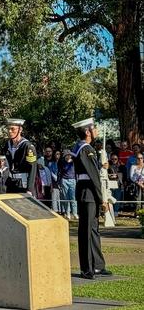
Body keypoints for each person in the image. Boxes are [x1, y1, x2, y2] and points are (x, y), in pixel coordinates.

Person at [71, 117, 111, 279]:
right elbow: (94, 176)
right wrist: (103, 199)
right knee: (87, 230)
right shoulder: (86, 149)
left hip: (87, 192)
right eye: (94, 128)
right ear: (87, 132)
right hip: (88, 193)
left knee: (93, 229)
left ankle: (98, 265)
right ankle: (87, 268)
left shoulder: (82, 148)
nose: (96, 131)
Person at [4, 119, 37, 195]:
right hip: (11, 183)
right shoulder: (7, 145)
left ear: (20, 130)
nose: (9, 131)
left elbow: (32, 168)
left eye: (12, 129)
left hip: (23, 183)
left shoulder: (27, 146)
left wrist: (29, 189)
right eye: (8, 129)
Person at [58, 150, 78, 219]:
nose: (68, 156)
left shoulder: (74, 162)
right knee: (66, 197)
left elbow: (76, 156)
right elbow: (60, 172)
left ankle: (74, 213)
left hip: (73, 180)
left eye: (69, 155)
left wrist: (71, 153)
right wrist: (59, 182)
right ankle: (67, 213)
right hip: (64, 180)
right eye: (66, 155)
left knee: (73, 197)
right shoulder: (62, 162)